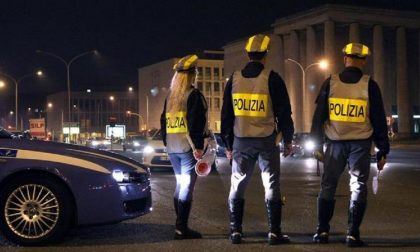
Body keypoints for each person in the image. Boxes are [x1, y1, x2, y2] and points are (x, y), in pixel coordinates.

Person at [310, 42, 390, 247]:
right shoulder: (369, 85)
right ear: (363, 61)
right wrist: (382, 149)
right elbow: (379, 119)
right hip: (360, 144)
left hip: (335, 143)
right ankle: (352, 234)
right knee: (358, 186)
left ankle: (322, 231)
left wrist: (317, 144)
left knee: (328, 185)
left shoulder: (331, 83)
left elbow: (319, 116)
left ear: (345, 58)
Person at [221, 34, 294, 245]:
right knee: (271, 185)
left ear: (247, 54)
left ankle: (235, 231)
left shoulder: (234, 79)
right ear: (265, 55)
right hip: (266, 141)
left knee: (237, 185)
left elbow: (226, 115)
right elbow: (284, 112)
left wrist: (227, 144)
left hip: (241, 141)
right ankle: (274, 232)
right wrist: (288, 139)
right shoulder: (272, 78)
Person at [160, 54, 208, 240]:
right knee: (187, 186)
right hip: (188, 149)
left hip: (172, 148)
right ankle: (181, 228)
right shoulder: (193, 95)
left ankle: (179, 224)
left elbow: (163, 122)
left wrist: (166, 143)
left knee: (180, 184)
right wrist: (198, 147)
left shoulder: (170, 97)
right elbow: (196, 123)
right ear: (191, 75)